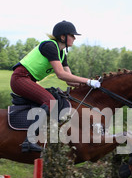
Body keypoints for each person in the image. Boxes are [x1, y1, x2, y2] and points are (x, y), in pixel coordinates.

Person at [11, 21, 102, 153]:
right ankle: (29, 141)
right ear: (63, 37)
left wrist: (91, 85)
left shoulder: (62, 54)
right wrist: (88, 81)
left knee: (56, 98)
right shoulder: (50, 46)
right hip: (20, 78)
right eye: (72, 35)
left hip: (28, 80)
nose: (75, 38)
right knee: (50, 102)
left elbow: (70, 80)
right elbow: (61, 74)